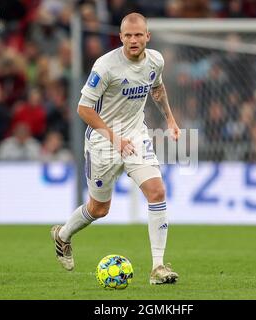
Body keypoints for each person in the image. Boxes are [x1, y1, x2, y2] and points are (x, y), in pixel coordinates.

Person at [51, 13, 180, 285]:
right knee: (99, 209)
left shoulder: (156, 60)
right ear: (120, 37)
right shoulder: (105, 66)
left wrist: (170, 119)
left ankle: (158, 267)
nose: (133, 40)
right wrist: (113, 138)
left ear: (148, 36)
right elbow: (83, 109)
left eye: (138, 35)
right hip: (103, 143)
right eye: (128, 36)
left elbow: (157, 87)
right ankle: (62, 235)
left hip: (136, 137)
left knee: (157, 191)